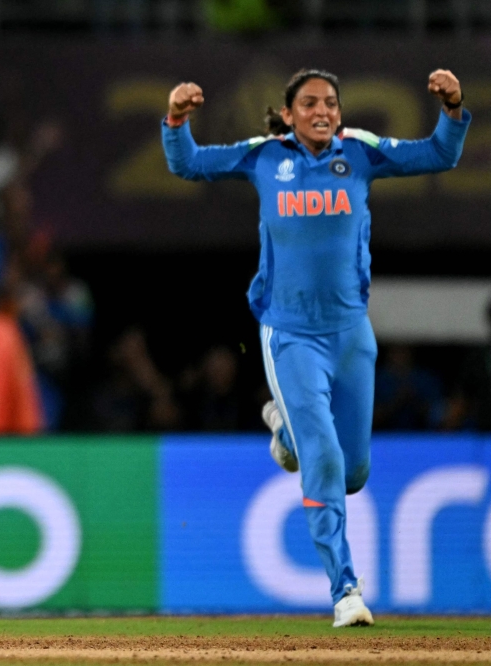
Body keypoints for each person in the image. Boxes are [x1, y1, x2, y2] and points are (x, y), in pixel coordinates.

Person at [163, 69, 469, 626]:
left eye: (330, 102)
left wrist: (452, 110)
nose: (322, 111)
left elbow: (439, 156)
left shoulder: (361, 152)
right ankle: (345, 590)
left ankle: (285, 432)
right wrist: (178, 121)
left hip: (352, 334)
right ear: (288, 115)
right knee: (324, 460)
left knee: (353, 473)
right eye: (309, 103)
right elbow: (188, 164)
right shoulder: (263, 157)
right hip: (292, 334)